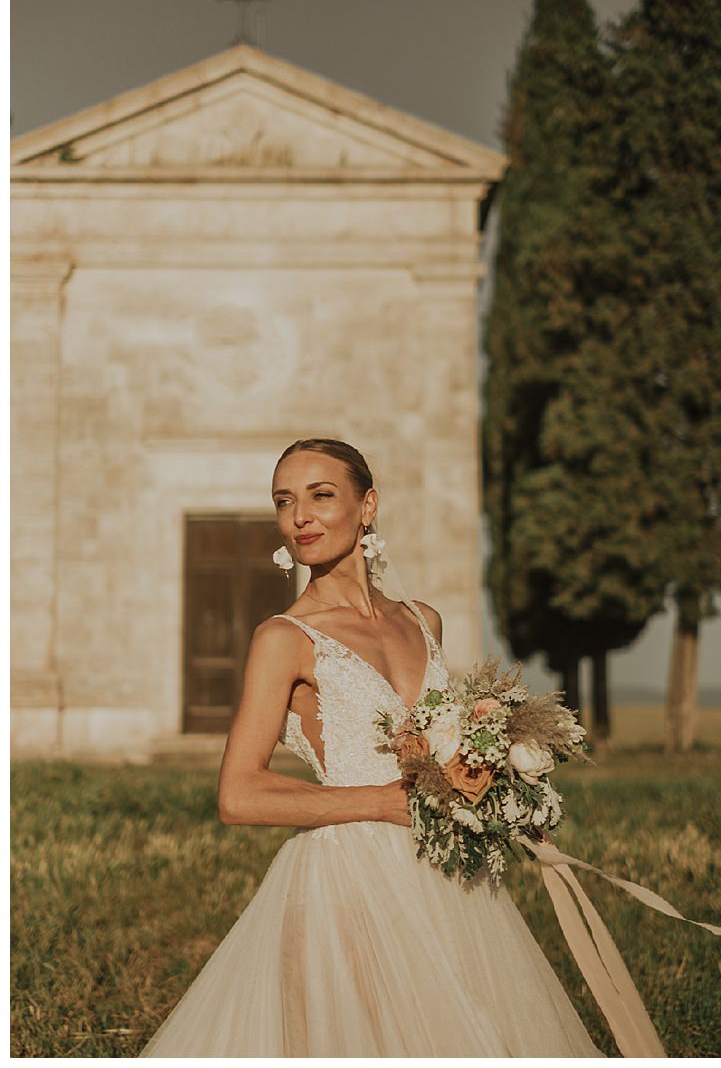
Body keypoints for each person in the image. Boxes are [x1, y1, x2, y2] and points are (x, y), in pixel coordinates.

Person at [138, 437, 608, 1056]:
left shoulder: (423, 620)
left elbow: (436, 744)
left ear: (368, 506)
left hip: (450, 879)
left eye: (321, 495)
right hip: (346, 880)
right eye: (285, 501)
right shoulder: (285, 637)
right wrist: (384, 802)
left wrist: (486, 775)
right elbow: (239, 794)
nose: (300, 516)